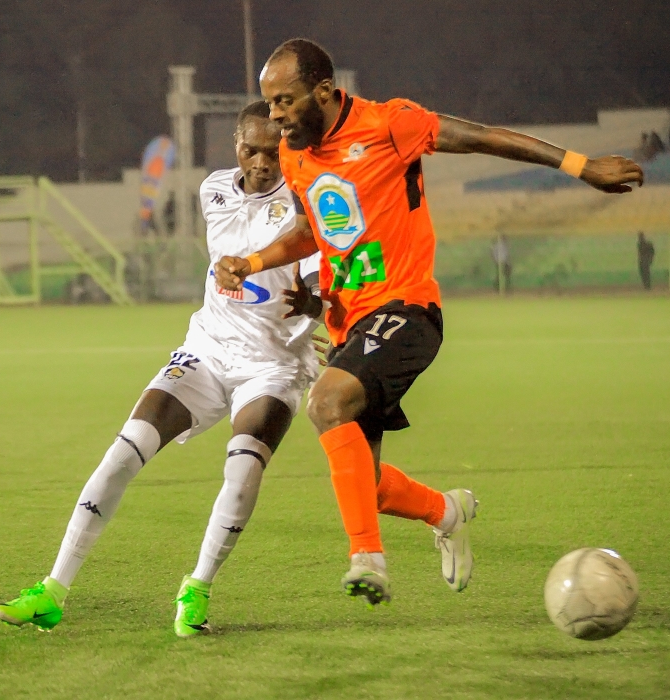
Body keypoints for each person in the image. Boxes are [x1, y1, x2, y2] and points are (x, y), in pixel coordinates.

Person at [215, 38, 644, 606]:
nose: (276, 116)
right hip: (349, 324)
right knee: (362, 482)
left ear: (323, 91)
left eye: (286, 101)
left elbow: (485, 137)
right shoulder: (296, 155)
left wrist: (579, 164)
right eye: (269, 104)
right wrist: (254, 261)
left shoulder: (392, 123)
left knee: (325, 404)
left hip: (408, 308)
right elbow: (316, 229)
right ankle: (446, 512)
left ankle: (367, 559)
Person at [0, 102, 324, 636]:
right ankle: (52, 591)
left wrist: (312, 305)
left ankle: (197, 587)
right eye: (250, 149)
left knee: (242, 473)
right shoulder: (212, 189)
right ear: (235, 144)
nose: (262, 162)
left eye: (273, 150)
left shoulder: (306, 200)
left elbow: (321, 286)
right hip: (207, 349)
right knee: (122, 453)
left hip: (273, 365)